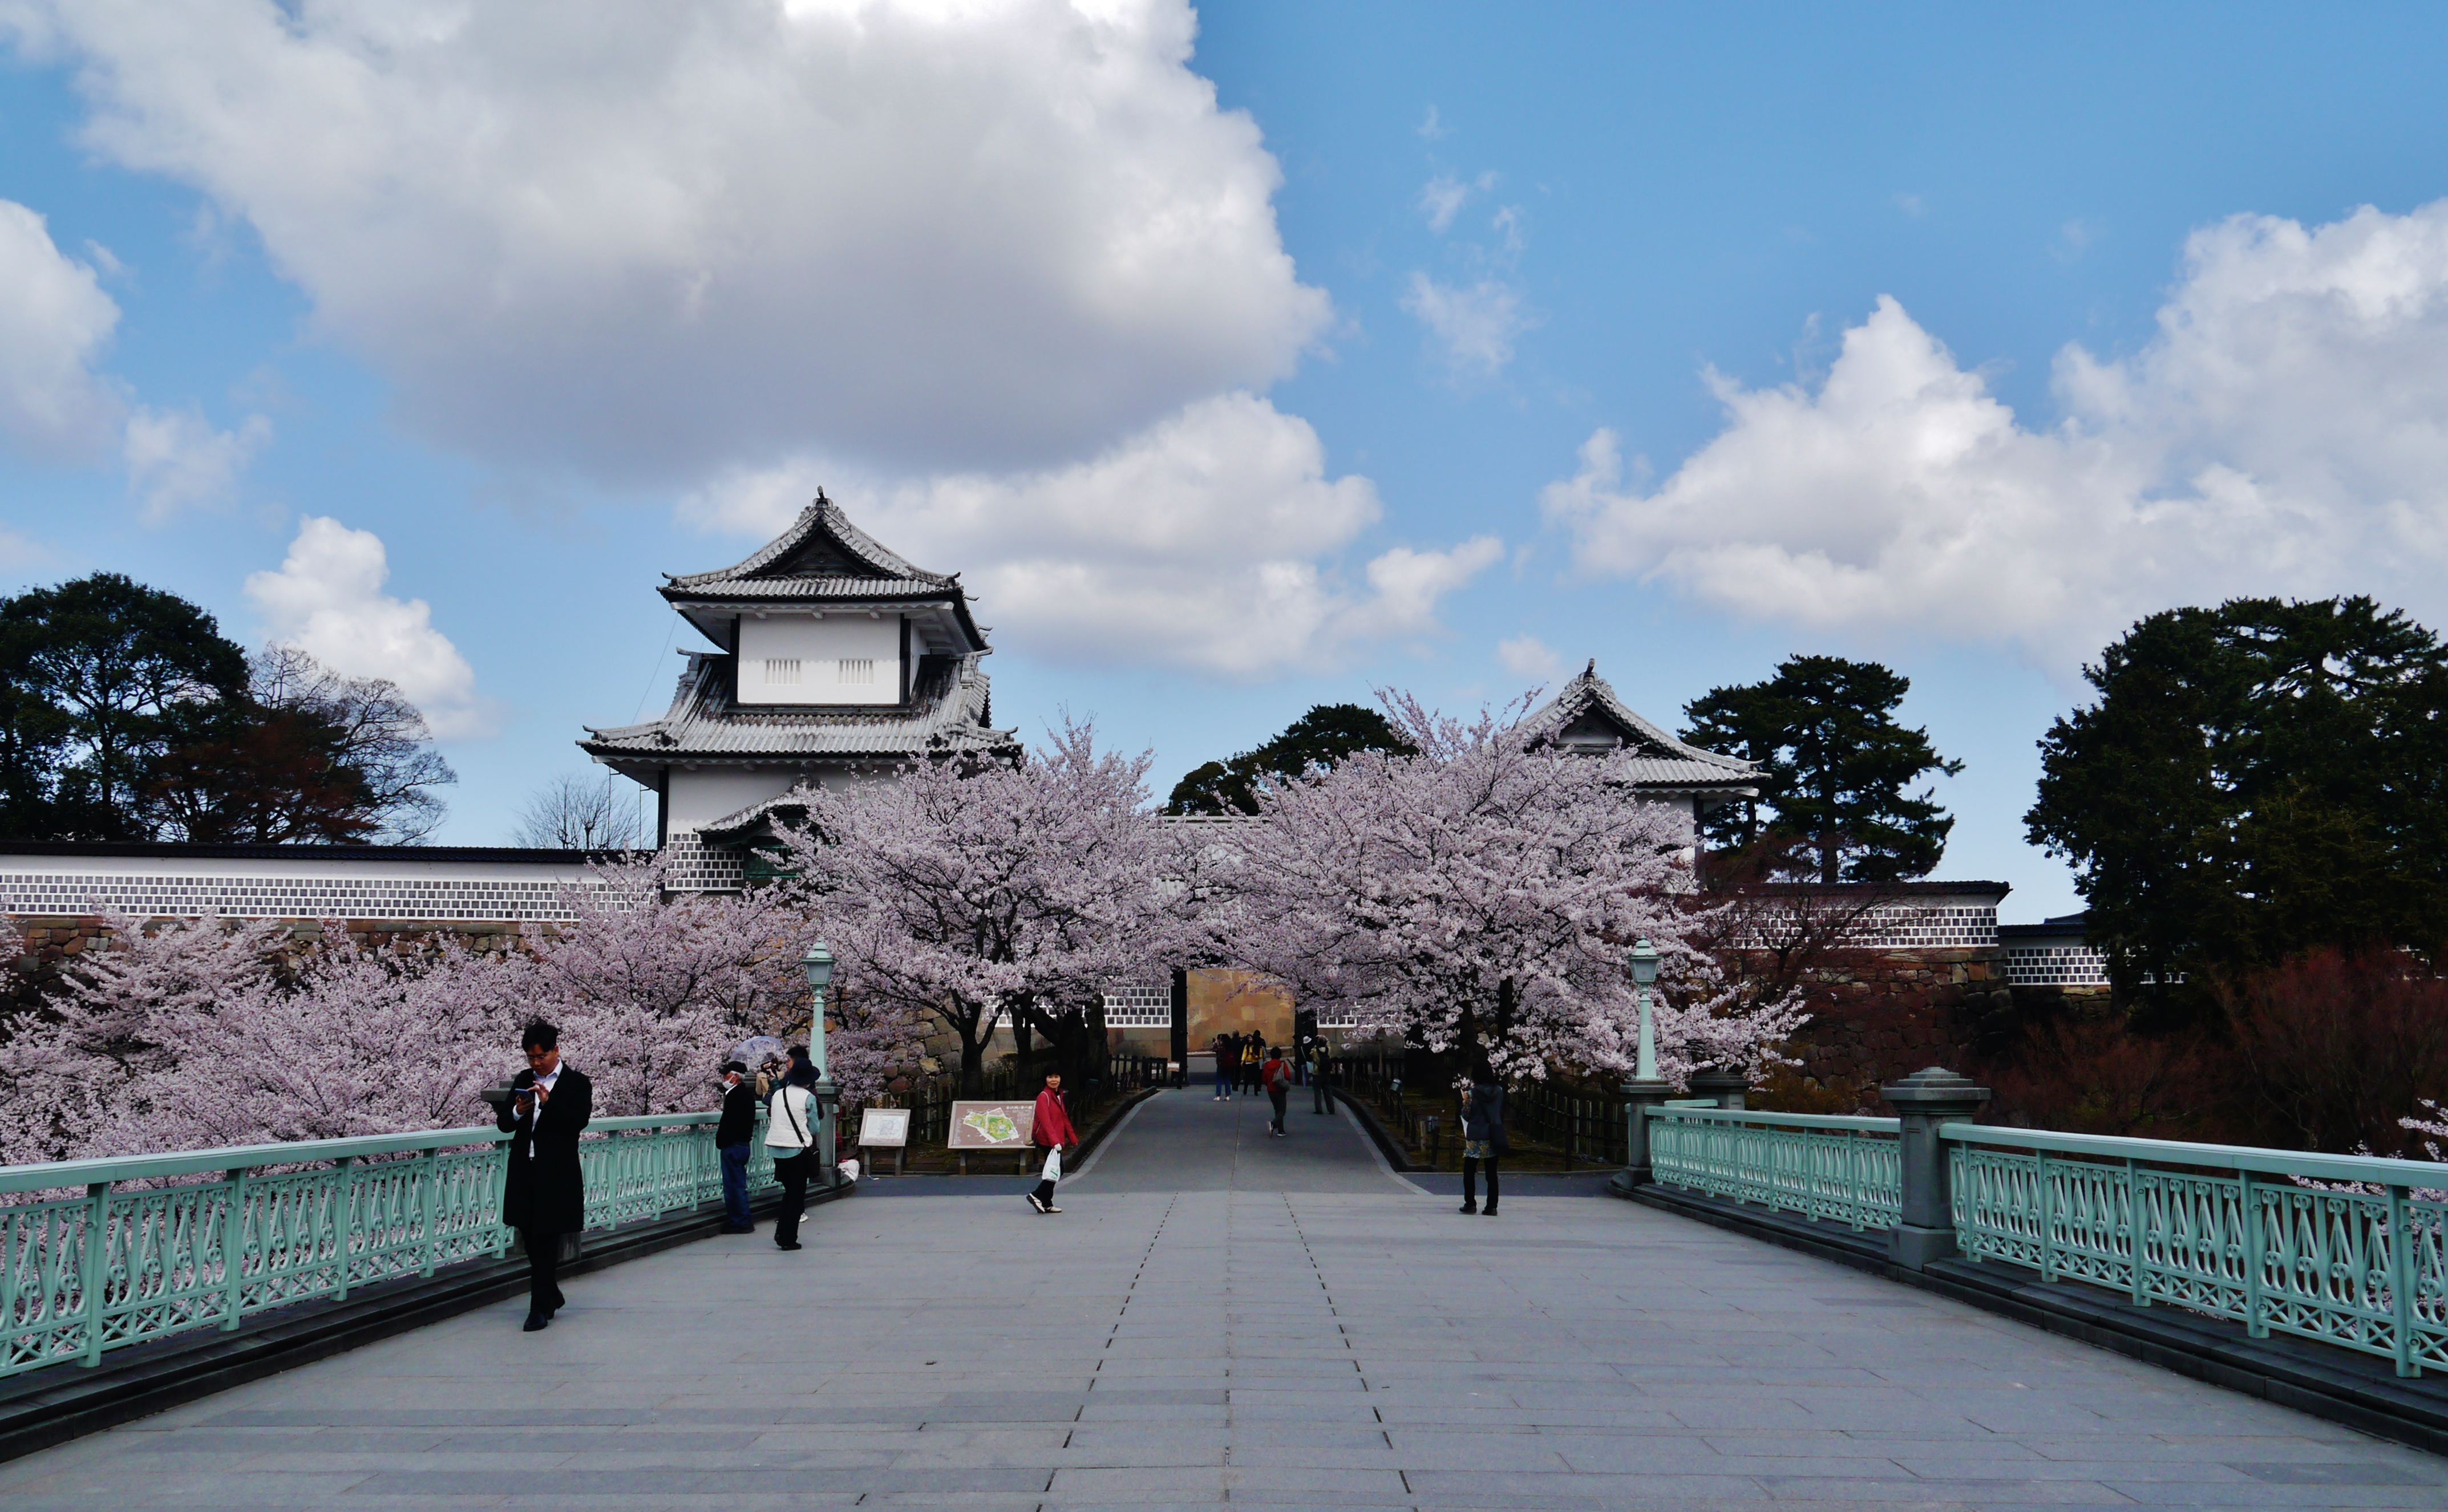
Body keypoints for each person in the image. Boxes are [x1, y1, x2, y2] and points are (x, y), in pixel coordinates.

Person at [496, 1019, 593, 1331]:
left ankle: (538, 1307)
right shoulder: (524, 1079)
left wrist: (549, 1104)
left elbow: (577, 1122)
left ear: (556, 1050)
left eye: (541, 1057)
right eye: (531, 1057)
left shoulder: (577, 1083)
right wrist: (517, 1111)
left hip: (556, 1173)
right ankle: (551, 1292)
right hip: (525, 1169)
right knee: (527, 1229)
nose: (536, 1063)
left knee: (545, 1235)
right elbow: (504, 1124)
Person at [766, 1049, 819, 1251]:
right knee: (797, 1196)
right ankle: (788, 1238)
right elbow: (814, 1128)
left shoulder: (778, 1094)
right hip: (796, 1150)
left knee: (789, 1192)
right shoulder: (808, 1098)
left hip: (776, 1148)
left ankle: (781, 1232)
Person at [1459, 1064, 1507, 1217]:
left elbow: (1467, 1114)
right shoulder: (1499, 1091)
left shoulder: (1472, 1093)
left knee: (1469, 1171)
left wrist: (1464, 1104)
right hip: (1493, 1134)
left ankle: (1470, 1204)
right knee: (1491, 1173)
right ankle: (1492, 1206)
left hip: (1476, 1134)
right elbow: (1499, 1110)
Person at [715, 1059, 757, 1234]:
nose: (724, 1078)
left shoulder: (735, 1096)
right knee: (738, 1183)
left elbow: (730, 1123)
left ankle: (739, 1221)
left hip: (733, 1145)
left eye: (726, 1075)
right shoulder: (746, 1095)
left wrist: (722, 1140)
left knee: (733, 1185)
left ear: (735, 1077)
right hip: (743, 1144)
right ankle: (742, 1218)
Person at [1027, 1070, 1077, 1214]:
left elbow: (1063, 1118)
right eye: (1050, 1077)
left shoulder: (1059, 1095)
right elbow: (1046, 1121)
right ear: (1045, 1080)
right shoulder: (1043, 1097)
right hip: (1047, 1139)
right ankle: (1036, 1195)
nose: (1054, 1080)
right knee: (1058, 1170)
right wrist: (1055, 1142)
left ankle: (1047, 1203)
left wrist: (1072, 1138)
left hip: (1056, 1139)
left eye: (1056, 1077)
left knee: (1055, 1170)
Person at [1261, 1045, 1292, 1136]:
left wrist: (1269, 1084)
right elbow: (1288, 1076)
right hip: (1280, 1089)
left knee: (1277, 1110)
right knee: (1282, 1110)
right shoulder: (1282, 1064)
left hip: (1271, 1090)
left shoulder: (1267, 1065)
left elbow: (1264, 1079)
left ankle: (1281, 1131)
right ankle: (1273, 1124)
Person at [1212, 1033, 1238, 1101]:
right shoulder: (1229, 1047)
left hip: (1221, 1065)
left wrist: (1215, 1043)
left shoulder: (1221, 1048)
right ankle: (1227, 1095)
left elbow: (1214, 1049)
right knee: (1227, 1079)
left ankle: (1218, 1095)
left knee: (1219, 1080)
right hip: (1228, 1065)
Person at [1310, 1040, 1333, 1115]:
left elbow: (1311, 1053)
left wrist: (1316, 1045)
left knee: (1317, 1092)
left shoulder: (1314, 1051)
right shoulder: (1328, 1050)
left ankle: (1319, 1109)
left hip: (1317, 1073)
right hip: (1327, 1073)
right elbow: (1329, 1045)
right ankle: (1331, 1109)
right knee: (1328, 1092)